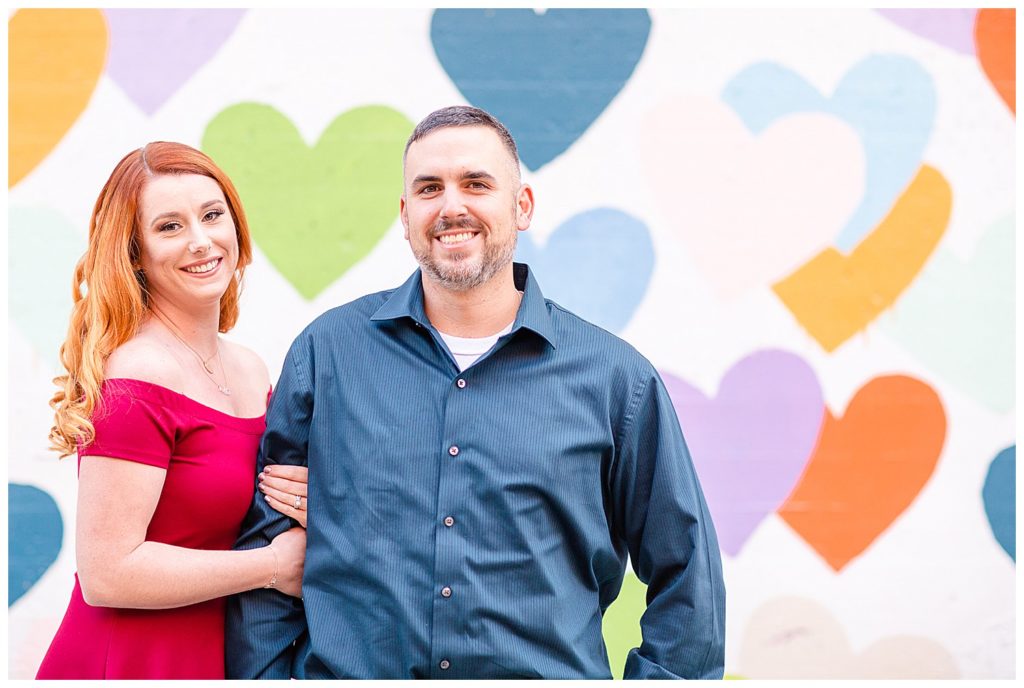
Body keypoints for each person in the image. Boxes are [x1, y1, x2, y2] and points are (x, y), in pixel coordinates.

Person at [226, 106, 725, 679]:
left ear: (522, 207)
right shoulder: (327, 354)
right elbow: (265, 552)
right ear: (405, 213)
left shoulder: (617, 380)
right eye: (429, 188)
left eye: (477, 184)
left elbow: (688, 572)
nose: (451, 206)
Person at [36, 142, 310, 680]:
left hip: (214, 654)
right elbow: (107, 572)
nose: (201, 241)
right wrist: (275, 566)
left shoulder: (251, 370)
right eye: (169, 226)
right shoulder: (138, 376)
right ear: (134, 252)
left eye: (212, 216)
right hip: (128, 660)